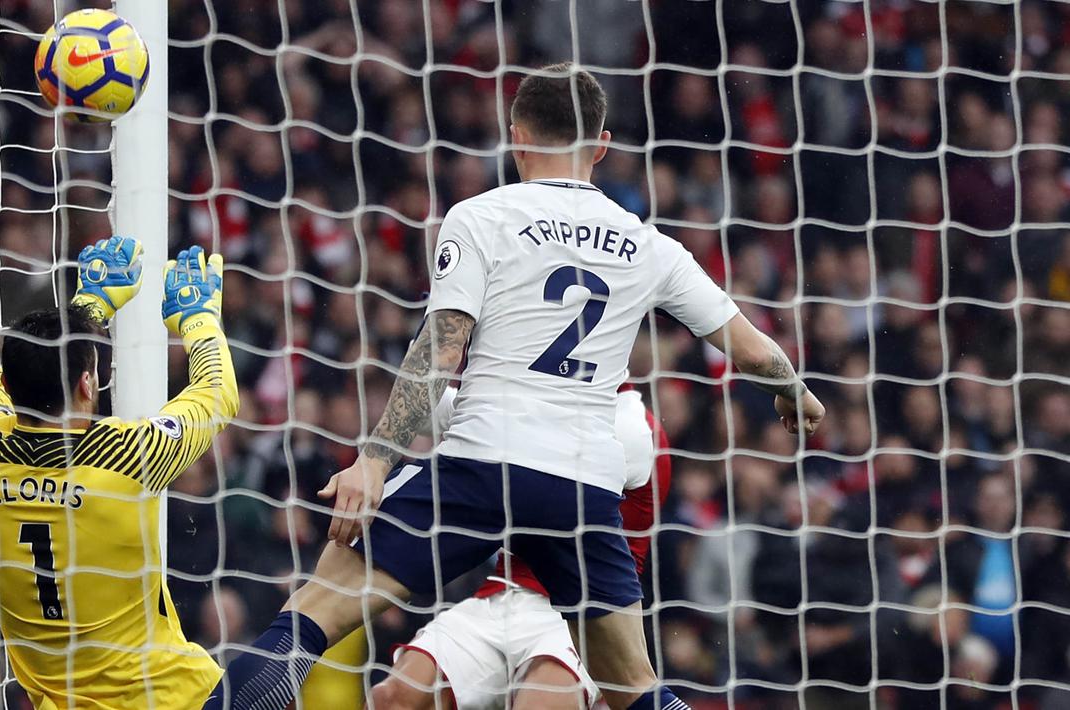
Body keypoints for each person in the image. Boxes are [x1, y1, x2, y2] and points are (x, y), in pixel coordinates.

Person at [211, 63, 824, 710]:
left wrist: (373, 459)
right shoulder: (650, 246)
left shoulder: (482, 216)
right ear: (602, 144)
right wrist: (793, 391)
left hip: (482, 466)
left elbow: (440, 349)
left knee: (307, 620)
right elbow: (750, 349)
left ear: (516, 136)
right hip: (580, 489)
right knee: (634, 688)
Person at [0, 238, 238, 707]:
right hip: (169, 698)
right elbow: (215, 394)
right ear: (88, 381)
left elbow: (5, 383)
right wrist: (198, 320)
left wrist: (88, 307)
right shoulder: (125, 456)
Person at [370, 385, 671, 709]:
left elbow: (501, 428)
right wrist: (422, 366)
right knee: (391, 698)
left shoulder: (634, 427)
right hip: (502, 595)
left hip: (579, 615)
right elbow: (436, 405)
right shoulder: (535, 403)